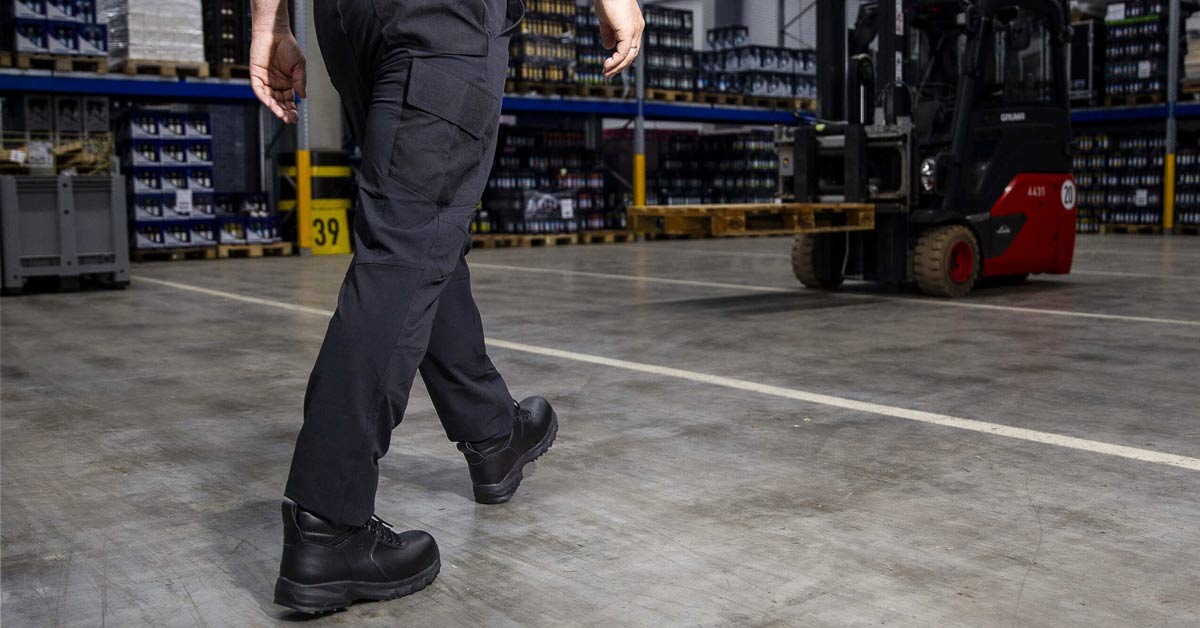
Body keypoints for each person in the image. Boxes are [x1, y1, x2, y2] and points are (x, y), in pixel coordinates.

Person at [249, 0, 645, 614]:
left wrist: (268, 23)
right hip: (438, 17)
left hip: (347, 20)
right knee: (406, 241)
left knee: (421, 221)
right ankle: (327, 524)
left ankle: (493, 433)